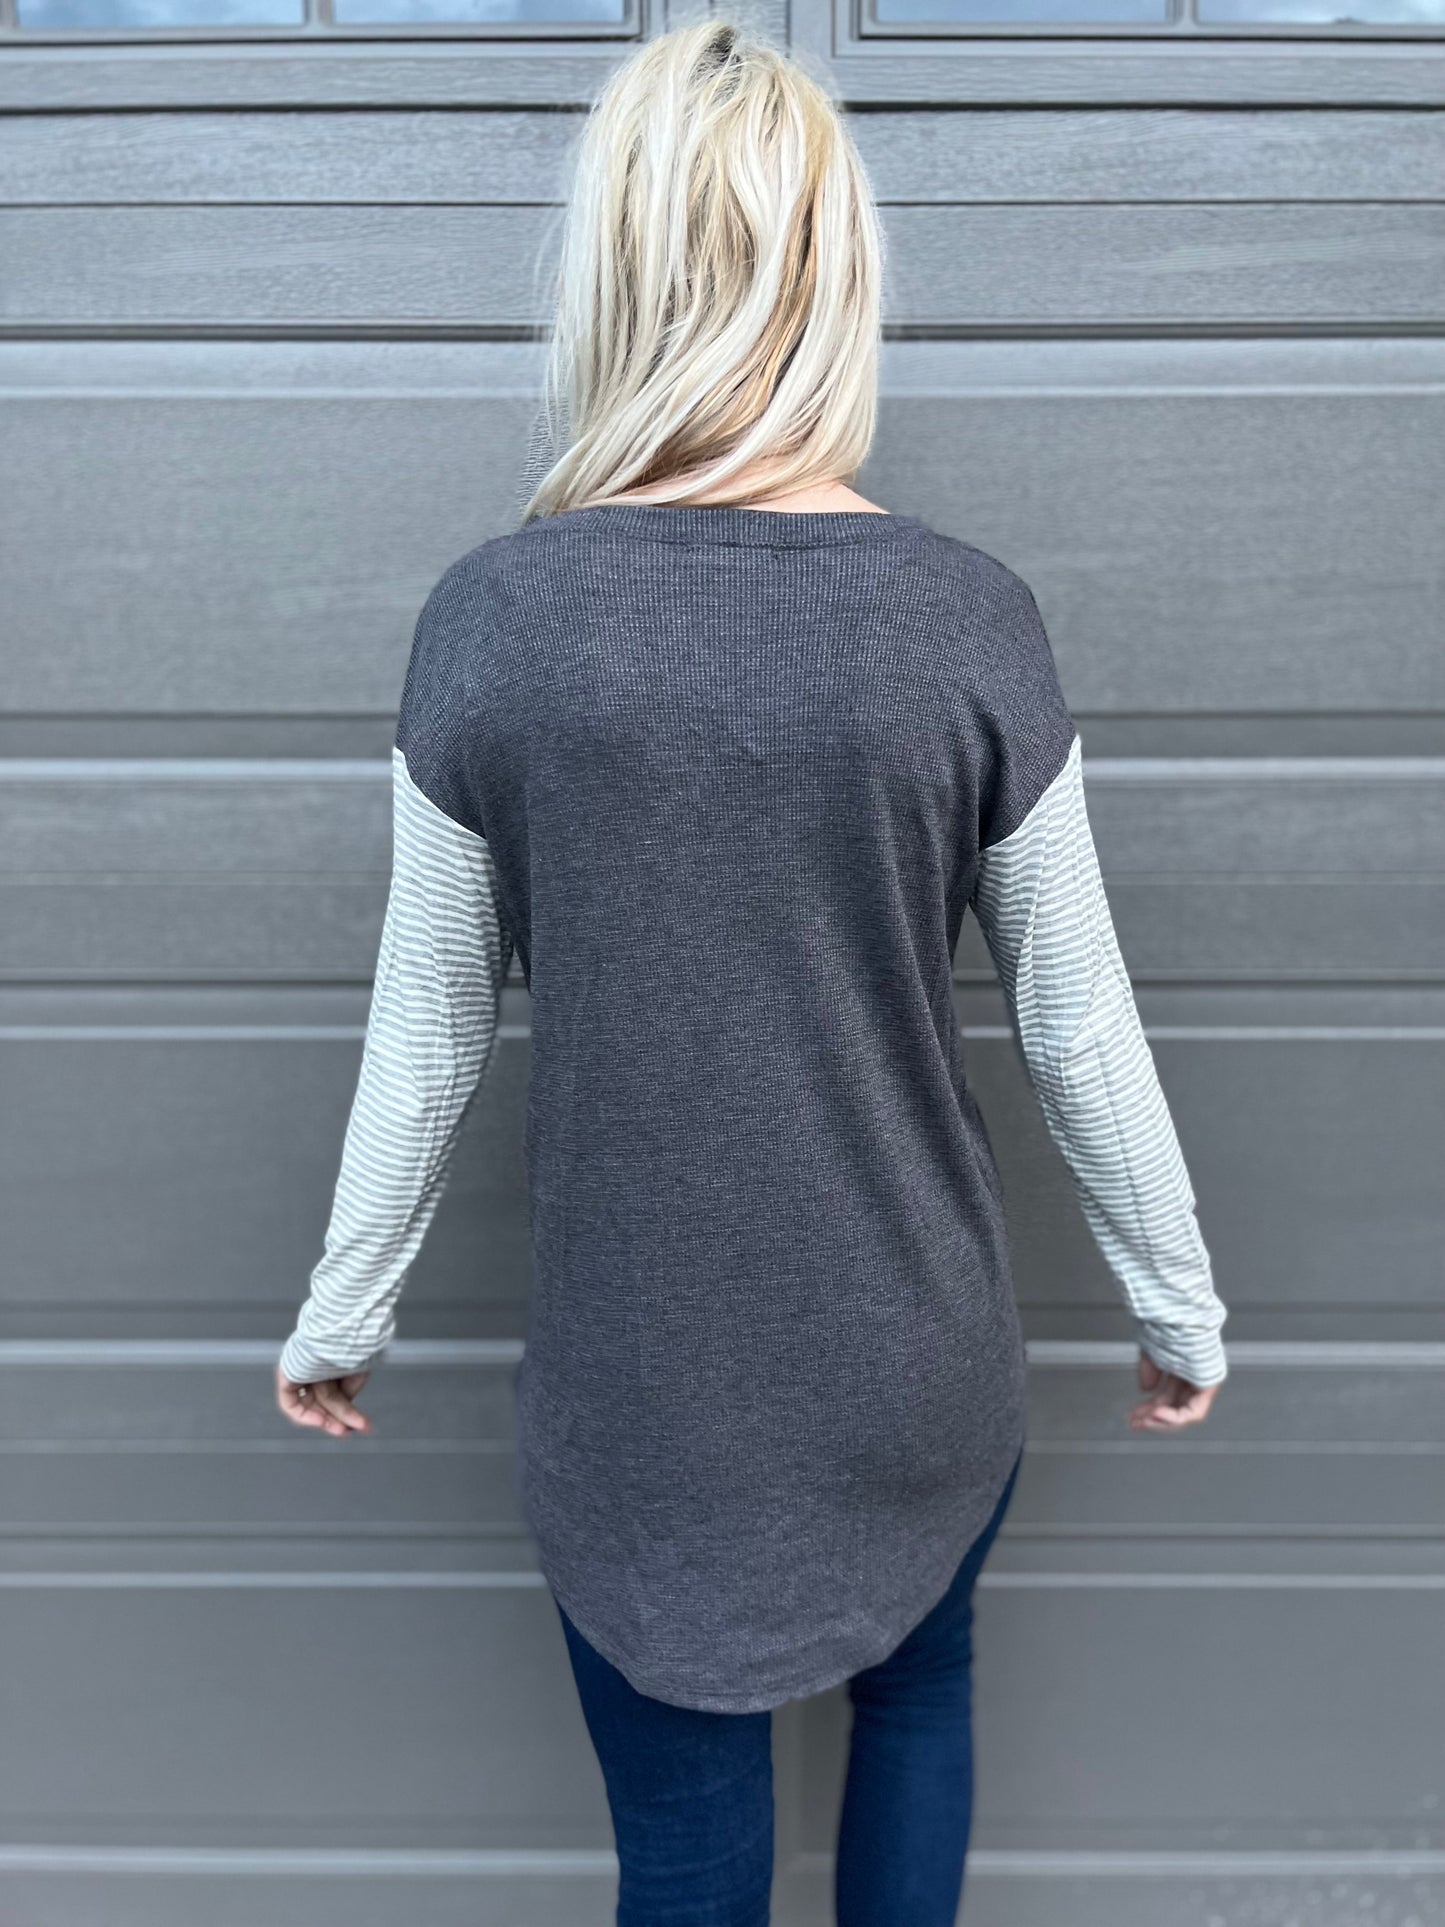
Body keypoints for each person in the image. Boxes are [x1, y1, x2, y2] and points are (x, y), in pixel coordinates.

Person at [274, 15, 1228, 1925]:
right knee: (921, 1697)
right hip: (917, 1362)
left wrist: (340, 1311)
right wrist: (1178, 1303)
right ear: (833, 273)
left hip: (644, 1393)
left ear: (614, 276)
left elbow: (430, 1028)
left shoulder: (495, 623)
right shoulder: (965, 620)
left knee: (686, 1849)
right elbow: (1076, 1023)